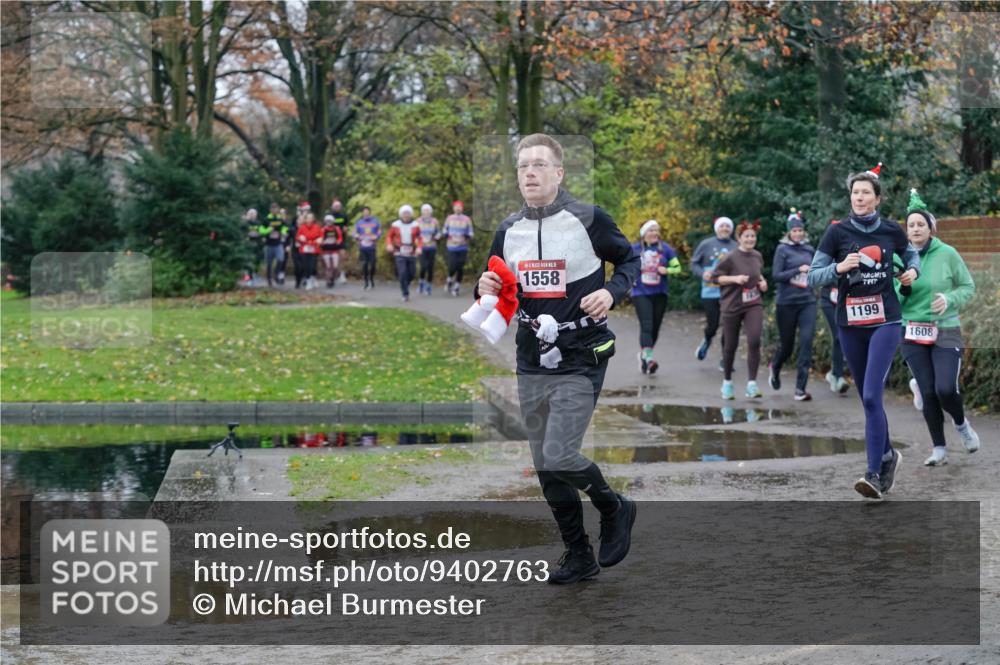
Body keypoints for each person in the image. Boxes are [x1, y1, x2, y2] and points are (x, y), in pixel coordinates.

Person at [474, 133, 639, 584]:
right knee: (547, 466)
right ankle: (578, 554)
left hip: (582, 353)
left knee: (560, 453)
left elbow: (630, 261)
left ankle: (614, 506)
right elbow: (496, 282)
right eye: (523, 166)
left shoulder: (589, 219)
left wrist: (610, 291)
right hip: (531, 357)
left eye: (539, 165)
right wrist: (483, 288)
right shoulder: (509, 229)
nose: (529, 172)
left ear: (559, 172)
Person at [808, 163, 921, 500]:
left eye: (865, 193)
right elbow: (813, 276)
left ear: (877, 199)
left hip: (885, 320)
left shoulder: (891, 231)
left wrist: (912, 271)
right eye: (855, 192)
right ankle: (888, 456)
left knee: (872, 395)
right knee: (866, 398)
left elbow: (911, 254)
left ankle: (873, 472)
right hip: (850, 324)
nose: (859, 197)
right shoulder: (837, 233)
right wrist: (839, 267)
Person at [895, 188, 979, 466]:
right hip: (912, 331)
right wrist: (903, 287)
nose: (916, 228)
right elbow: (892, 296)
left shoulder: (948, 253)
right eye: (911, 225)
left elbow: (968, 286)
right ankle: (939, 448)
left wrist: (949, 298)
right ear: (906, 231)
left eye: (922, 224)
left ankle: (961, 424)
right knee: (929, 392)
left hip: (945, 328)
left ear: (931, 228)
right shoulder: (898, 258)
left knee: (945, 389)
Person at [768, 209, 818, 401]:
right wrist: (798, 269)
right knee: (787, 346)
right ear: (789, 233)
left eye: (800, 231)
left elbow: (814, 273)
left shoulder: (809, 249)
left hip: (807, 301)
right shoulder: (782, 250)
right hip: (786, 302)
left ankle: (800, 389)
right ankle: (776, 366)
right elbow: (776, 276)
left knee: (806, 342)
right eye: (794, 231)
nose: (797, 234)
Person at [714, 221, 767, 400]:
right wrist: (735, 279)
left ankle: (752, 384)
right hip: (732, 305)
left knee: (754, 340)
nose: (750, 239)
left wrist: (763, 282)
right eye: (747, 236)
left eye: (753, 236)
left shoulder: (757, 256)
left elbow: (758, 274)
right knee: (730, 345)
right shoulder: (731, 257)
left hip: (753, 303)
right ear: (739, 238)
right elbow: (716, 278)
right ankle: (727, 382)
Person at [630, 219, 682, 374]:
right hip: (640, 292)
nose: (654, 233)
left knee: (655, 328)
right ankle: (649, 359)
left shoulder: (665, 248)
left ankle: (644, 355)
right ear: (643, 233)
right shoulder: (635, 249)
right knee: (647, 325)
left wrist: (667, 270)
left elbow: (677, 267)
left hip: (660, 293)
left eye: (656, 230)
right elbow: (624, 266)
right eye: (650, 230)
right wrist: (630, 277)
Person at [690, 216, 738, 369]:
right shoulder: (706, 244)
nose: (725, 229)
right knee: (713, 324)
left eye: (727, 226)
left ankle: (725, 359)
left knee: (729, 325)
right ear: (717, 228)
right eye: (722, 226)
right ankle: (707, 339)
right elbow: (694, 263)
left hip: (730, 291)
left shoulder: (736, 246)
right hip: (710, 291)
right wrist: (701, 274)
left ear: (731, 229)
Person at [819, 225, 851, 395]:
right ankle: (837, 377)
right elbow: (817, 273)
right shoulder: (825, 252)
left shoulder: (852, 250)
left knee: (846, 336)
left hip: (846, 301)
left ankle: (835, 373)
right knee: (839, 336)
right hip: (828, 301)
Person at [385, 204, 422, 301]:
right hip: (399, 252)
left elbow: (419, 238)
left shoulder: (416, 225)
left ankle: (405, 284)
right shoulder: (395, 225)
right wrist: (389, 245)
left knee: (412, 273)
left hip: (411, 252)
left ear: (411, 215)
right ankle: (405, 293)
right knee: (402, 273)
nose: (406, 216)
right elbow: (389, 236)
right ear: (400, 215)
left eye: (408, 213)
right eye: (404, 214)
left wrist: (419, 248)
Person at [444, 200, 473, 296]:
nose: (458, 208)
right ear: (453, 208)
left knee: (460, 267)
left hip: (462, 247)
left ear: (462, 208)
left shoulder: (466, 219)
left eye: (459, 207)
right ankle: (449, 279)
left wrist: (466, 237)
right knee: (452, 266)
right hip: (452, 246)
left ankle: (456, 287)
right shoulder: (449, 218)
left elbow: (470, 232)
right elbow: (444, 230)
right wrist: (448, 236)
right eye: (456, 207)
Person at [353, 206, 381, 290]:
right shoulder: (359, 222)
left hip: (372, 247)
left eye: (367, 211)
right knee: (364, 264)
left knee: (372, 265)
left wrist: (376, 236)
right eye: (364, 211)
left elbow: (379, 231)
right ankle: (366, 282)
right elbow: (354, 232)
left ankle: (371, 279)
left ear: (369, 212)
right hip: (363, 247)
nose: (366, 213)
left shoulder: (375, 221)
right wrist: (357, 236)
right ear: (362, 213)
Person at [258, 208, 288, 287]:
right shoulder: (267, 219)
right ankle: (269, 279)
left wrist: (283, 232)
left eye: (276, 209)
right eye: (273, 209)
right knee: (269, 263)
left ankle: (276, 274)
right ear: (271, 210)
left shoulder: (280, 219)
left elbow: (285, 227)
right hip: (269, 244)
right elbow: (261, 230)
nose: (275, 211)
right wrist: (268, 230)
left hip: (278, 243)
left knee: (280, 259)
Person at [417, 203, 441, 295]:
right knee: (423, 267)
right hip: (422, 247)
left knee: (430, 267)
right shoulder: (418, 221)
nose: (426, 212)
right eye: (424, 211)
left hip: (432, 247)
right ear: (422, 212)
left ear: (430, 212)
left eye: (428, 211)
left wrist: (435, 237)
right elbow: (415, 234)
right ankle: (421, 282)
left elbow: (439, 232)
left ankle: (429, 285)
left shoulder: (434, 221)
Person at [295, 211, 323, 290]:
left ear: (313, 219)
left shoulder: (317, 227)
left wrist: (319, 240)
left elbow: (321, 236)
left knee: (312, 265)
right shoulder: (302, 227)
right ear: (305, 219)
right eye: (308, 218)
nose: (309, 219)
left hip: (314, 249)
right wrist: (300, 238)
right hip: (304, 249)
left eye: (311, 218)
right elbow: (297, 237)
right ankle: (308, 280)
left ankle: (312, 278)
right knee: (305, 265)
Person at [320, 214, 344, 288]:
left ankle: (333, 278)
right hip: (326, 250)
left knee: (335, 266)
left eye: (330, 221)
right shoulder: (323, 229)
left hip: (335, 249)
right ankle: (328, 280)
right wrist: (323, 242)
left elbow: (340, 238)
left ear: (333, 221)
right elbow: (320, 239)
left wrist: (338, 242)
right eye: (327, 221)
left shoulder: (336, 229)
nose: (329, 223)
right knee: (328, 267)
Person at [329, 199, 349, 284]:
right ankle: (332, 274)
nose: (337, 208)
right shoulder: (329, 216)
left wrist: (345, 229)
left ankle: (342, 274)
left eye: (339, 206)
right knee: (331, 258)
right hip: (331, 240)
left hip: (341, 239)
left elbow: (346, 227)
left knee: (342, 256)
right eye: (335, 206)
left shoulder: (344, 216)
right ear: (332, 207)